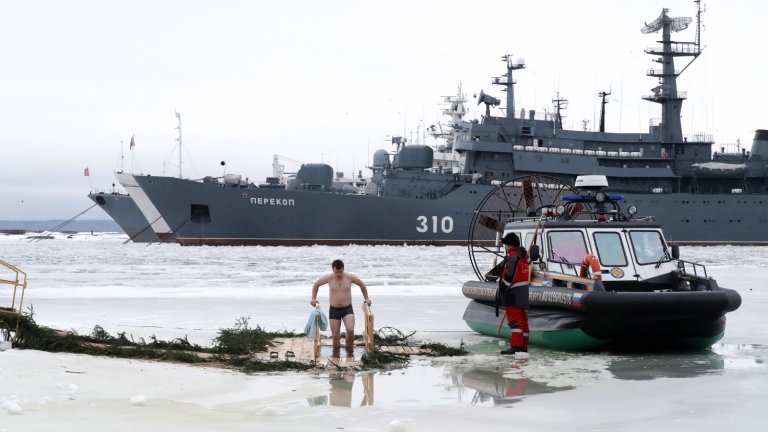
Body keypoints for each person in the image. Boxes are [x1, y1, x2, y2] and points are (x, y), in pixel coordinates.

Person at [311, 259, 371, 353]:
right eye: (336, 272)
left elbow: (361, 284)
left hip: (347, 309)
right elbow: (316, 284)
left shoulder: (350, 277)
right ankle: (336, 356)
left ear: (343, 269)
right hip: (334, 310)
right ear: (333, 270)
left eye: (340, 271)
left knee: (350, 330)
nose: (338, 274)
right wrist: (313, 299)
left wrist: (366, 298)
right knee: (335, 336)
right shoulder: (329, 278)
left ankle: (349, 351)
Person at [498, 233, 530, 355]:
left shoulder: (513, 256)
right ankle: (523, 346)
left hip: (513, 294)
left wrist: (503, 287)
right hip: (523, 293)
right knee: (523, 320)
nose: (505, 246)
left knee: (515, 321)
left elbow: (510, 275)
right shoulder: (524, 256)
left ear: (510, 245)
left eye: (505, 244)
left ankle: (516, 347)